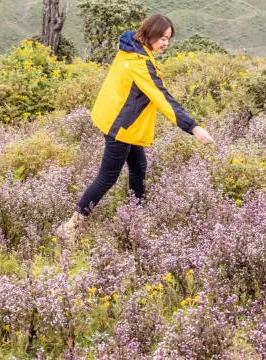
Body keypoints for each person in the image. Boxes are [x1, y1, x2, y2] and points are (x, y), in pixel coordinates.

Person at [57, 13, 214, 243]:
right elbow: (163, 98)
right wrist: (194, 128)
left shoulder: (131, 46)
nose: (165, 43)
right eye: (162, 38)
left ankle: (136, 218)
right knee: (106, 178)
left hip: (120, 121)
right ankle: (71, 227)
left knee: (139, 167)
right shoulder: (139, 64)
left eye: (168, 39)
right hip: (121, 127)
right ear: (149, 34)